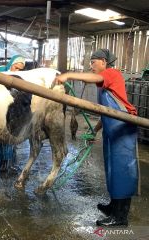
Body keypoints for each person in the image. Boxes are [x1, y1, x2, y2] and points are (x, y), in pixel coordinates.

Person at [55, 49, 139, 227]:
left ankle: (120, 217)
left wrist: (69, 75)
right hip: (113, 130)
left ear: (103, 61)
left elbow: (94, 79)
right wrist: (95, 129)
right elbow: (107, 112)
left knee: (123, 172)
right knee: (112, 170)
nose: (91, 66)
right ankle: (113, 207)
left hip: (123, 130)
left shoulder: (112, 73)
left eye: (93, 62)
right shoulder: (105, 85)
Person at [0, 55, 26, 171]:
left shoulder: (20, 79)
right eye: (16, 68)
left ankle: (7, 165)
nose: (18, 71)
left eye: (21, 70)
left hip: (11, 111)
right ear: (12, 64)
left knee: (10, 139)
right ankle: (3, 164)